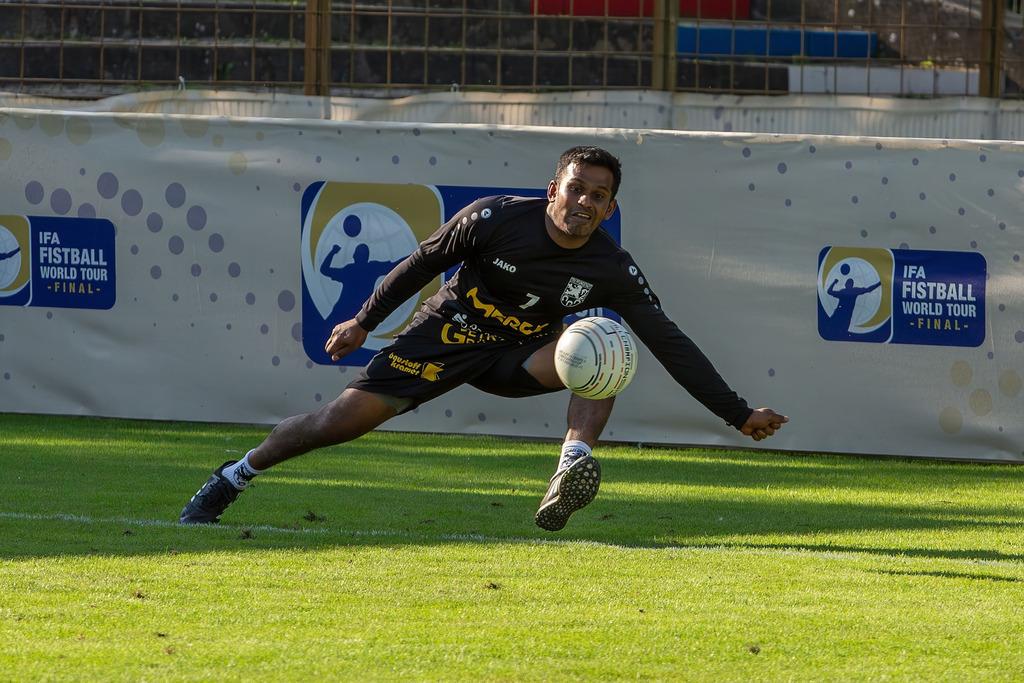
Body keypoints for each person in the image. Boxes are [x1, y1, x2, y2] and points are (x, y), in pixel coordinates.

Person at [180, 145, 788, 531]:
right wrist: (364, 320)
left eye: (597, 195)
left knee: (607, 347)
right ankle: (233, 476)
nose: (583, 201)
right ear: (555, 189)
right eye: (575, 187)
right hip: (444, 339)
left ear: (608, 208)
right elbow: (421, 263)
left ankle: (572, 462)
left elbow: (669, 341)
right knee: (330, 425)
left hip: (518, 357)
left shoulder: (610, 266)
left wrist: (737, 415)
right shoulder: (495, 219)